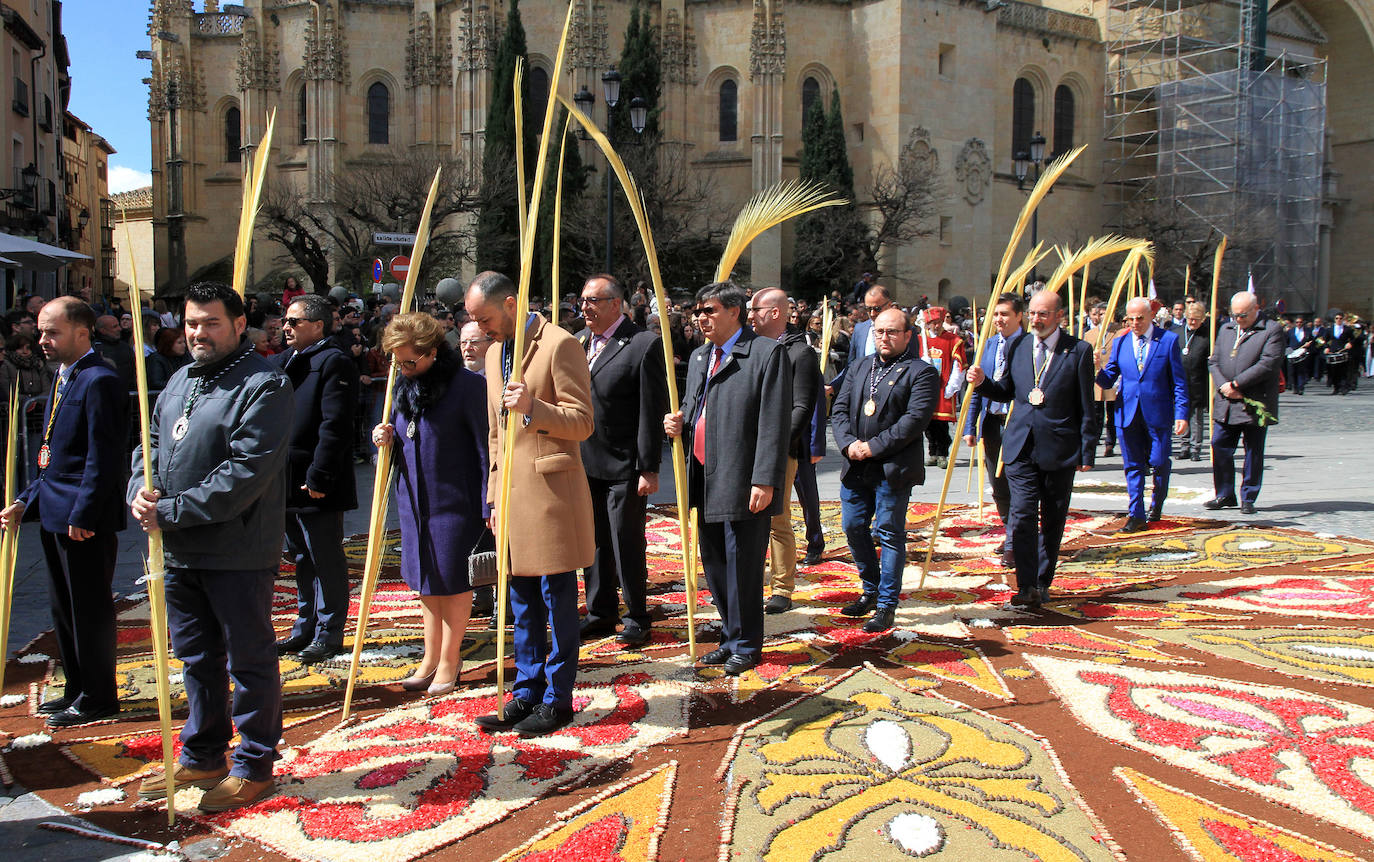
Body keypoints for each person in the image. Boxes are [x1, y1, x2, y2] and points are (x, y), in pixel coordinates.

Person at [129, 281, 294, 812]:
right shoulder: (179, 378)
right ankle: (204, 753)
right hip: (179, 548)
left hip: (237, 547)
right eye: (192, 322)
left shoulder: (264, 383)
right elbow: (150, 443)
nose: (198, 332)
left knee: (248, 657)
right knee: (196, 656)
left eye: (211, 323)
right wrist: (139, 488)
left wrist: (171, 512)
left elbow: (247, 472)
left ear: (239, 325)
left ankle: (255, 763)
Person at [466, 271, 595, 737]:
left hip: (551, 493)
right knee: (519, 599)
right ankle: (526, 690)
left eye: (484, 318)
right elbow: (495, 434)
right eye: (474, 321)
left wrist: (535, 409)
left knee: (556, 597)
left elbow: (583, 423)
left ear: (511, 303)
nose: (480, 329)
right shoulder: (497, 352)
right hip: (511, 496)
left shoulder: (561, 344)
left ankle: (559, 698)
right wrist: (492, 495)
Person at [1, 298, 126, 727]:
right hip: (55, 509)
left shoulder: (99, 380)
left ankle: (98, 696)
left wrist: (86, 512)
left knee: (88, 608)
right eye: (41, 331)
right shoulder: (64, 376)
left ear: (81, 332)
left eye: (52, 332)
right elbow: (55, 455)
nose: (43, 341)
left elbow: (103, 457)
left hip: (81, 518)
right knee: (64, 608)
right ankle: (76, 685)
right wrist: (25, 500)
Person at [663, 281, 789, 675]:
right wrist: (679, 422)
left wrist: (765, 478)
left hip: (743, 475)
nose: (701, 318)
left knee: (743, 565)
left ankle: (748, 643)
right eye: (697, 311)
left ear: (735, 312)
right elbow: (695, 407)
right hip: (705, 473)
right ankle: (729, 636)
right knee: (715, 563)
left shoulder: (767, 353)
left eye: (710, 310)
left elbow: (774, 422)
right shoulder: (701, 356)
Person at [372, 313, 488, 695]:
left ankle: (451, 661)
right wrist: (382, 441)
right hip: (414, 500)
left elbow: (487, 448)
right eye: (397, 362)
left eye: (410, 361)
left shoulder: (467, 386)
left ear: (433, 353)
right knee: (425, 580)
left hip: (457, 500)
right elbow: (396, 438)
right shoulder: (401, 385)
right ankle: (430, 655)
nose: (403, 369)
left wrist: (490, 500)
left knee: (452, 582)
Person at [968, 290, 1098, 611]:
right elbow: (1007, 390)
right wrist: (983, 382)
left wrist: (1087, 452)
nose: (1037, 319)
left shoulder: (1078, 351)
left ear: (1059, 316)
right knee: (1023, 515)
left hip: (1059, 448)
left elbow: (1087, 406)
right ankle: (1026, 585)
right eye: (1034, 313)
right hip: (1020, 445)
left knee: (1053, 520)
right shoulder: (1020, 345)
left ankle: (1043, 580)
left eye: (1044, 314)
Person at [831, 307, 938, 631]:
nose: (884, 338)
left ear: (907, 335)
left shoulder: (921, 372)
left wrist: (872, 446)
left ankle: (887, 604)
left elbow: (914, 421)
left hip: (892, 467)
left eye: (892, 332)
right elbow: (839, 408)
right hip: (856, 465)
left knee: (890, 533)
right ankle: (871, 589)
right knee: (852, 527)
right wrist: (848, 443)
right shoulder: (860, 366)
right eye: (879, 331)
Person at [575, 275, 667, 645]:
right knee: (593, 542)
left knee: (625, 541)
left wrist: (648, 466)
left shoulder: (643, 344)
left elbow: (650, 408)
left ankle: (637, 615)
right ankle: (600, 610)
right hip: (585, 461)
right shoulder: (580, 342)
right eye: (582, 300)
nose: (584, 307)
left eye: (593, 300)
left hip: (624, 466)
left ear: (616, 303)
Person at [273, 295, 360, 663]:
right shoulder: (287, 361)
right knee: (301, 556)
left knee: (324, 556)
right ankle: (304, 625)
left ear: (319, 325)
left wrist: (320, 475)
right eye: (285, 321)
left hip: (316, 478)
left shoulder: (333, 361)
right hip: (288, 476)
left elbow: (335, 425)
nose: (286, 327)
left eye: (295, 321)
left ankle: (329, 631)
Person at [747, 287, 819, 615]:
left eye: (756, 309)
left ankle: (782, 587)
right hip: (746, 446)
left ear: (775, 312)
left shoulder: (799, 353)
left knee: (777, 518)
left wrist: (773, 446)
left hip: (780, 450)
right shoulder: (749, 347)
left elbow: (802, 407)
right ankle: (748, 578)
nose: (749, 315)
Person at [1095, 297, 1189, 531]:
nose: (1135, 323)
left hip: (1158, 411)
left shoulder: (1167, 341)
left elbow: (1179, 382)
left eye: (1140, 319)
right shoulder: (1122, 341)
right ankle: (1136, 513)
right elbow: (1108, 380)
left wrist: (1182, 413)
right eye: (1131, 319)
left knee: (1158, 461)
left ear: (1150, 317)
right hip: (1127, 411)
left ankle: (1157, 503)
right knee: (1133, 465)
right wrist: (1097, 367)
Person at [1205, 291, 1285, 514]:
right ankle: (1224, 493)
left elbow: (1268, 364)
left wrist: (1237, 384)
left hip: (1254, 401)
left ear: (1255, 309)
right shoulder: (1226, 329)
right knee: (1219, 445)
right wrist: (1224, 385)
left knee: (1253, 450)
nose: (1238, 319)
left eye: (1243, 315)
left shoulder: (1271, 330)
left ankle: (1248, 495)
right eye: (1235, 315)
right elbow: (1214, 361)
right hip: (1226, 401)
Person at [963, 293, 1023, 568]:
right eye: (995, 314)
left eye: (1005, 314)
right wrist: (970, 425)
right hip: (992, 422)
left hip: (1018, 424)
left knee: (1018, 482)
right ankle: (1012, 531)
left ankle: (1017, 540)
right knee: (998, 485)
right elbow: (977, 386)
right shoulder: (987, 345)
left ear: (1019, 316)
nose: (998, 319)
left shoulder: (1027, 345)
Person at [914, 307, 965, 468]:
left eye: (938, 322)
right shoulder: (920, 339)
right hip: (926, 388)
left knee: (941, 423)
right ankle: (932, 452)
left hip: (943, 386)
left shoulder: (953, 340)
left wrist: (952, 386)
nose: (936, 326)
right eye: (932, 323)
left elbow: (959, 365)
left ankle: (942, 453)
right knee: (928, 423)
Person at [1173, 302, 1211, 460]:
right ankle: (1184, 445)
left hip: (1198, 382)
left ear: (1202, 319)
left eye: (1196, 319)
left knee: (1196, 417)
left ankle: (1196, 448)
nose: (1192, 322)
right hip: (1180, 381)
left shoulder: (1207, 335)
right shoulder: (1177, 333)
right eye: (1189, 319)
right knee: (1182, 414)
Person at [1324, 309, 1355, 395]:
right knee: (1334, 371)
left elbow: (1353, 338)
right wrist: (1326, 348)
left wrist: (1349, 343)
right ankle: (1336, 387)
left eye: (1340, 318)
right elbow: (1324, 340)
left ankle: (1344, 387)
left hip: (1343, 351)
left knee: (1343, 371)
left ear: (1343, 319)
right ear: (1334, 319)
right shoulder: (1329, 329)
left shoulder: (1347, 329)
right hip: (1333, 352)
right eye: (1337, 318)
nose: (1338, 320)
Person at [1285, 316, 1315, 396]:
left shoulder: (1308, 331)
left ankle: (1301, 387)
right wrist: (1288, 352)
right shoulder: (1290, 332)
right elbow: (1286, 342)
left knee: (1301, 371)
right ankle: (1295, 387)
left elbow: (1312, 341)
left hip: (1303, 354)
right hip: (1292, 354)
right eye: (1297, 322)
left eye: (1300, 322)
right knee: (1293, 372)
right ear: (1295, 323)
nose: (1299, 324)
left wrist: (1309, 345)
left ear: (1303, 323)